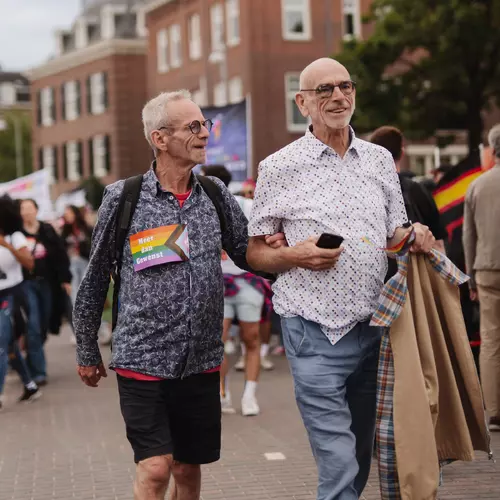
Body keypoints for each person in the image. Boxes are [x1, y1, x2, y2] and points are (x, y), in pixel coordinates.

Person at [73, 90, 285, 500]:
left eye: (205, 124)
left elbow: (247, 254)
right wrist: (86, 348)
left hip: (200, 360)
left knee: (187, 470)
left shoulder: (215, 193)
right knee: (156, 469)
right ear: (160, 138)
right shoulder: (124, 197)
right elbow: (96, 276)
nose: (204, 133)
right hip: (142, 357)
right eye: (193, 126)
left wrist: (286, 256)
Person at [246, 58, 435, 500]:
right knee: (338, 459)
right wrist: (295, 254)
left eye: (345, 87)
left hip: (374, 328)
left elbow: (393, 234)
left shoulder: (379, 160)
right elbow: (254, 252)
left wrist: (416, 235)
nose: (338, 96)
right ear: (302, 103)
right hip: (311, 329)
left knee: (360, 452)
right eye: (325, 90)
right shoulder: (279, 166)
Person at [201, 164, 265, 416]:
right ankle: (222, 393)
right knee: (218, 341)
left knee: (251, 339)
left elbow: (261, 239)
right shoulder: (200, 208)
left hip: (246, 281)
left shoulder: (247, 206)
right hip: (217, 284)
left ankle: (250, 395)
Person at [463, 123, 500, 432]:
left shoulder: (476, 186)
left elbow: (468, 236)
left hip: (486, 268)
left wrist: (472, 277)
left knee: (490, 339)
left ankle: (495, 410)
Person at [370, 126, 447, 256]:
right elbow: (438, 241)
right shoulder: (416, 190)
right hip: (411, 264)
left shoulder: (365, 190)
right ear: (402, 153)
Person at [19, 199, 72, 384]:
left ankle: (29, 359)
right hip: (26, 285)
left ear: (36, 210)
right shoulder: (17, 233)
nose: (26, 212)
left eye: (29, 208)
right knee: (33, 325)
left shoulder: (47, 230)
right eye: (23, 209)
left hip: (47, 284)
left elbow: (60, 255)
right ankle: (38, 372)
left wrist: (65, 279)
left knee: (44, 324)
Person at [0, 196, 41, 411]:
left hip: (13, 296)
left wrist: (7, 245)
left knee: (1, 343)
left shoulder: (14, 237)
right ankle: (30, 385)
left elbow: (29, 263)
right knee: (8, 345)